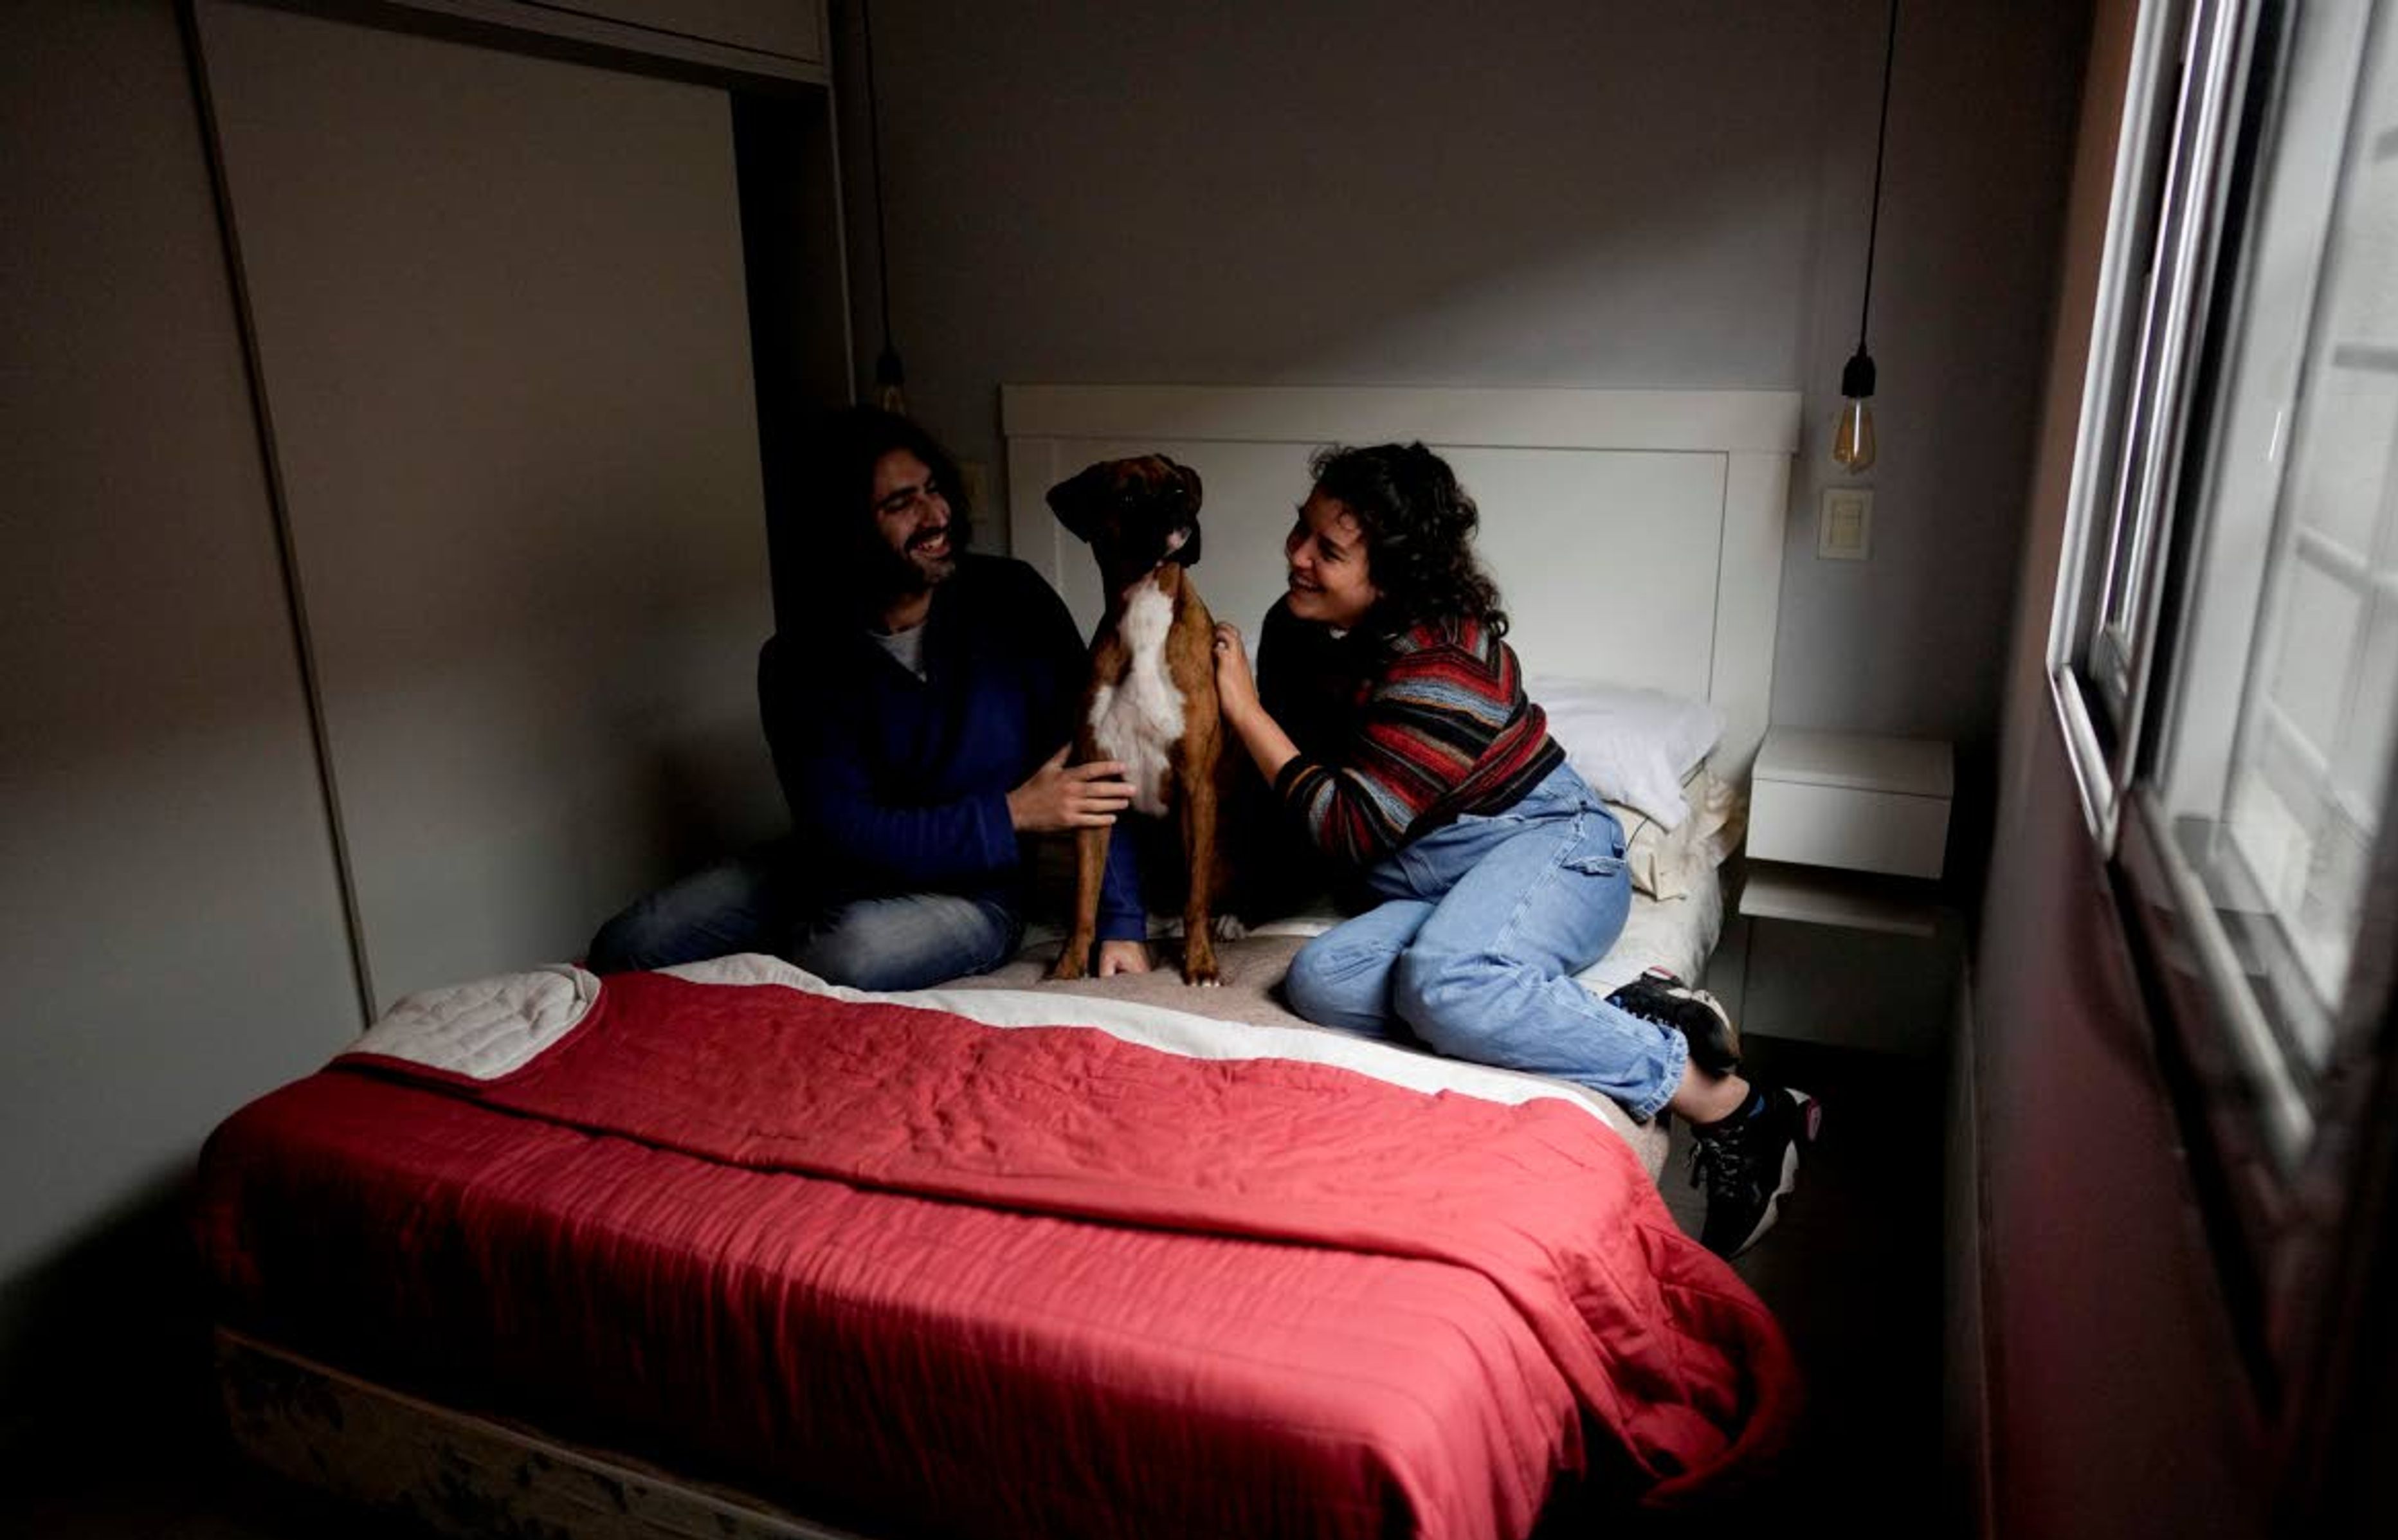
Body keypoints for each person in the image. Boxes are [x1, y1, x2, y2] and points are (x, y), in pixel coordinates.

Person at [1210, 442, 1814, 1258]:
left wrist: (1244, 712)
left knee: (1445, 982)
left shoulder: (1444, 667)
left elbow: (1346, 824)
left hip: (1552, 848)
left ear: (1391, 576)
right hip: (1436, 875)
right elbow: (1307, 804)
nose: (1297, 556)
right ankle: (1612, 1009)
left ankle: (1733, 1103)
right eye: (1301, 530)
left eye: (1329, 550)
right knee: (1323, 980)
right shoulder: (1302, 629)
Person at [588, 406, 1151, 989]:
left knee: (847, 952)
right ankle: (798, 937)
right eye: (900, 504)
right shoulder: (798, 660)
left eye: (934, 490)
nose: (936, 516)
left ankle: (798, 949)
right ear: (848, 530)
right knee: (631, 943)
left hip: (973, 893)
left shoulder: (1013, 598)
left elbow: (1096, 764)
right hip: (830, 868)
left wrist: (1122, 921)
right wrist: (1009, 815)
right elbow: (844, 830)